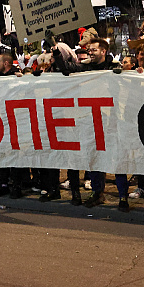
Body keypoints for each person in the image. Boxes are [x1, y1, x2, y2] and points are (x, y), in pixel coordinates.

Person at [52, 38, 117, 207]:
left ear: (103, 51)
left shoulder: (113, 67)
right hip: (86, 116)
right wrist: (55, 50)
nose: (90, 53)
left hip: (106, 117)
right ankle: (94, 191)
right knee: (90, 154)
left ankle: (100, 191)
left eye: (94, 50)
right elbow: (66, 68)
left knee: (100, 155)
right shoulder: (86, 67)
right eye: (89, 50)